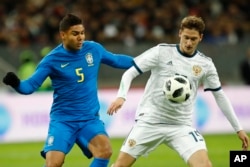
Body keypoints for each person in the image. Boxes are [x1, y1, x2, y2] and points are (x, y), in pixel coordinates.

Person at [107, 15, 249, 167]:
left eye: (193, 39)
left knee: (205, 165)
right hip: (149, 121)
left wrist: (238, 128)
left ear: (200, 37)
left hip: (181, 125)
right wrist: (121, 96)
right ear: (180, 33)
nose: (188, 43)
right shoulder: (161, 52)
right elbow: (130, 72)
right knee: (120, 165)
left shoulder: (205, 64)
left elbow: (219, 95)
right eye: (186, 37)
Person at [2, 13, 133, 167]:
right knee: (54, 164)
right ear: (63, 35)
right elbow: (29, 86)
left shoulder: (93, 49)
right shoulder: (52, 60)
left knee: (105, 151)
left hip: (88, 119)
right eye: (75, 34)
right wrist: (16, 83)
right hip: (63, 121)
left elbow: (117, 60)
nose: (80, 38)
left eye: (82, 33)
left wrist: (143, 62)